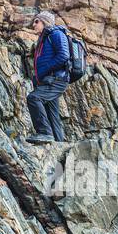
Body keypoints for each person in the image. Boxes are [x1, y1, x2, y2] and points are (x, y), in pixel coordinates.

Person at [25, 11, 71, 144]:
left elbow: (63, 56)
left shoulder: (56, 34)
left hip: (56, 80)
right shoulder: (45, 38)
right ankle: (59, 145)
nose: (34, 25)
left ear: (45, 22)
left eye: (37, 21)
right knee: (53, 115)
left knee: (33, 98)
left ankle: (44, 133)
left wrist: (43, 71)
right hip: (48, 80)